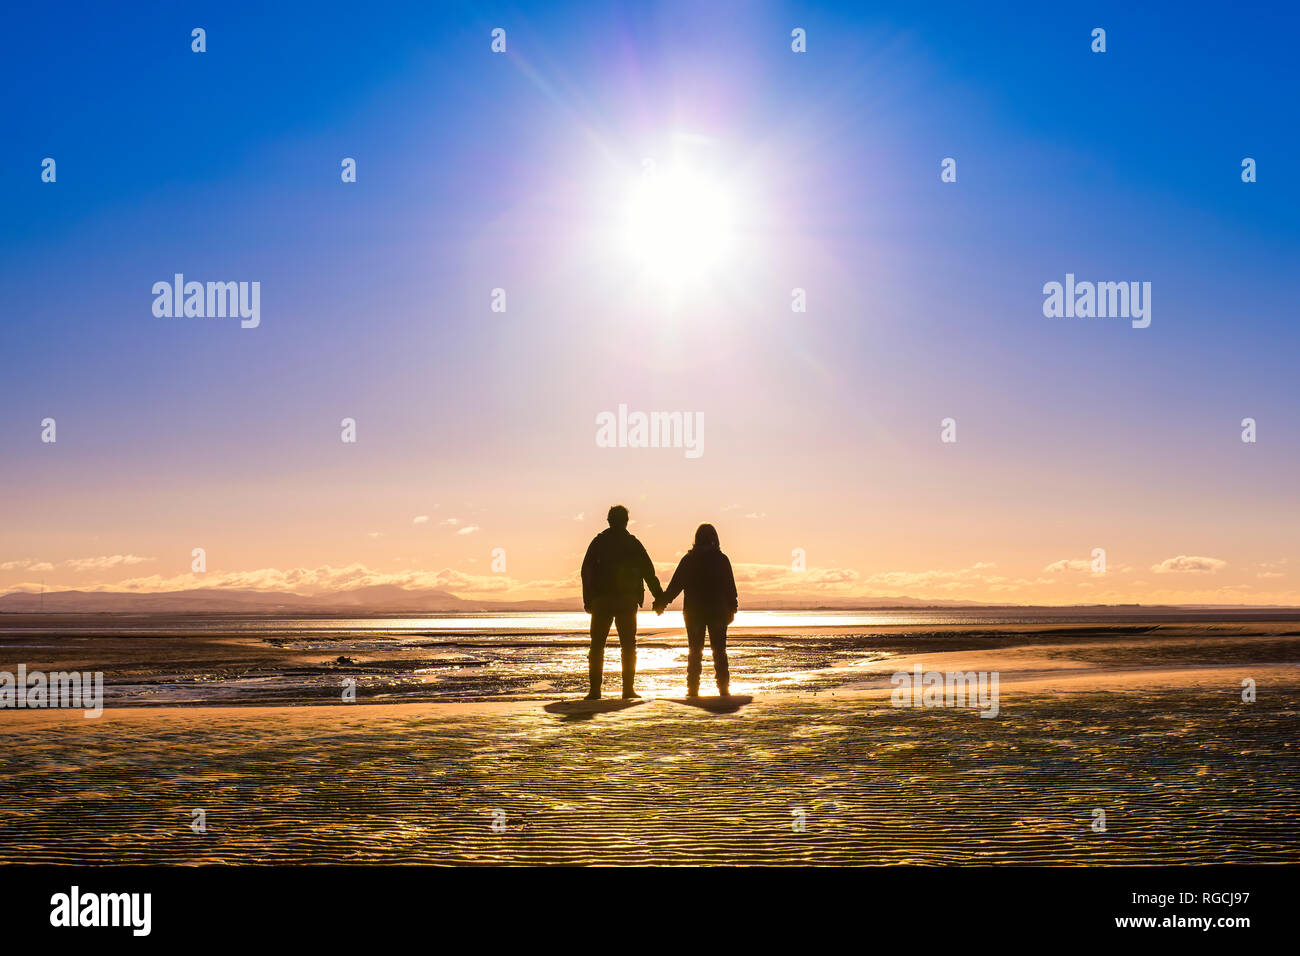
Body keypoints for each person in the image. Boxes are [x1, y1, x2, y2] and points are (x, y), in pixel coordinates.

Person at [580, 505, 664, 700]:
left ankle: (595, 691)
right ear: (626, 521)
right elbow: (649, 573)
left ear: (609, 520)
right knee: (628, 646)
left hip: (602, 600)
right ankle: (627, 690)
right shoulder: (632, 543)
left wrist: (588, 599)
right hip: (626, 600)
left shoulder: (599, 542)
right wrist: (659, 598)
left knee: (597, 645)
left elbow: (586, 572)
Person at [653, 523, 738, 697]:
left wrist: (662, 602)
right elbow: (731, 587)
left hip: (694, 612)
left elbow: (675, 586)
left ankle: (693, 689)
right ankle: (723, 688)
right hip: (717, 612)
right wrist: (732, 608)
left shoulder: (689, 560)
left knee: (695, 651)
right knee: (719, 651)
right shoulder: (722, 560)